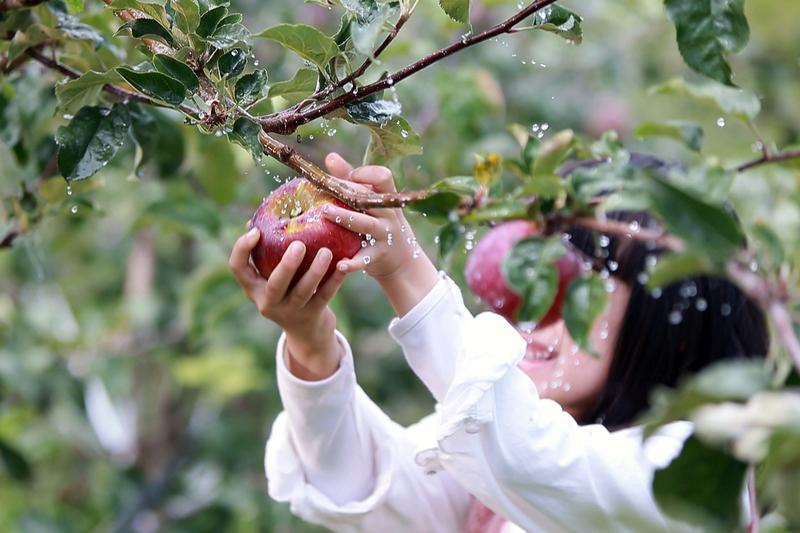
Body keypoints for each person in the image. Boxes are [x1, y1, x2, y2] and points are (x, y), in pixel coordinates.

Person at [228, 153, 769, 532]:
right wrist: (311, 340)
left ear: (672, 322)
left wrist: (407, 269)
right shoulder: (490, 464)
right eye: (530, 270)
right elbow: (368, 490)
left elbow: (530, 458)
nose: (533, 305)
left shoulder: (697, 475)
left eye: (578, 279)